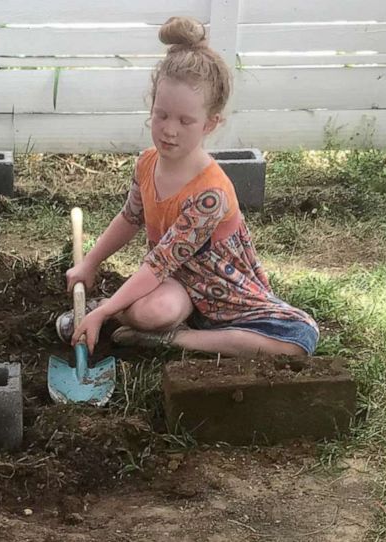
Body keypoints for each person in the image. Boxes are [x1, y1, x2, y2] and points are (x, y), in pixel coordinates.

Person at [59, 16, 321, 359]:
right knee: (153, 312)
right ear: (151, 107)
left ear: (210, 124)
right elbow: (130, 218)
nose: (170, 130)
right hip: (176, 281)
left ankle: (174, 339)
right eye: (161, 115)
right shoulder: (146, 163)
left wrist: (105, 313)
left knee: (300, 340)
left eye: (185, 121)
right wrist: (90, 263)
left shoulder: (209, 193)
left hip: (223, 291)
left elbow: (157, 264)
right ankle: (121, 313)